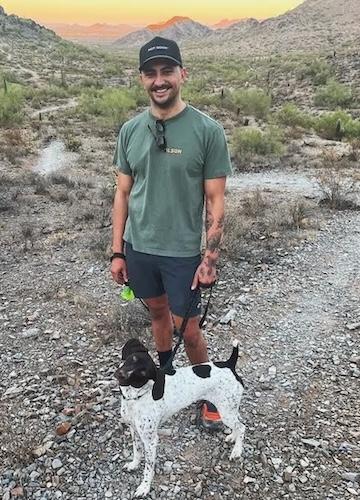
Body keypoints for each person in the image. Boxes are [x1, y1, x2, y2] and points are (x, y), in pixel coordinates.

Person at [110, 36, 232, 430]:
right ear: (142, 79)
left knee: (189, 327)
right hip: (140, 248)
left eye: (167, 72)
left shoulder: (206, 131)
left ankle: (209, 391)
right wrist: (117, 251)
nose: (159, 80)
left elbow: (216, 201)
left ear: (182, 74)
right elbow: (123, 192)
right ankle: (164, 375)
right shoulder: (130, 130)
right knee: (158, 314)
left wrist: (210, 258)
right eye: (151, 73)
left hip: (182, 253)